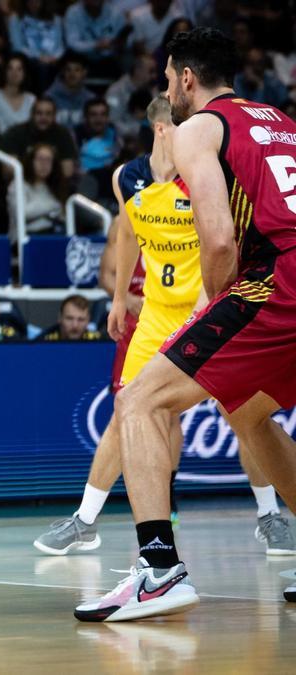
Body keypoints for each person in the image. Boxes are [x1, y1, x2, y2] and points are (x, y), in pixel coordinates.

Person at [79, 28, 296, 621]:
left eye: (168, 78)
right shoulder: (277, 119)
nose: (167, 89)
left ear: (185, 78)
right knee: (249, 416)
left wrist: (215, 301)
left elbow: (220, 237)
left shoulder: (200, 126)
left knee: (141, 400)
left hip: (272, 281)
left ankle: (159, 571)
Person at [37, 97, 292, 565]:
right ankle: (86, 520)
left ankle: (268, 515)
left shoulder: (204, 175)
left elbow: (225, 241)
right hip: (155, 313)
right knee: (126, 409)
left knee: (244, 416)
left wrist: (212, 303)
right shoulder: (126, 178)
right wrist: (118, 298)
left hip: (209, 303)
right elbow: (128, 234)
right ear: (160, 129)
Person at [0, 97, 79, 179]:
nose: (43, 117)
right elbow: (9, 170)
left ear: (54, 116)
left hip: (54, 185)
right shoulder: (15, 133)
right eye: (39, 113)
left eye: (48, 114)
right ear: (31, 115)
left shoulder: (63, 134)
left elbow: (68, 171)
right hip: (22, 184)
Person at [14, 143, 67, 234]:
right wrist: (52, 205)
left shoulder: (57, 186)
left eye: (48, 160)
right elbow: (22, 213)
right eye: (40, 159)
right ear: (31, 161)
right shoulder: (18, 184)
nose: (44, 164)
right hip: (28, 236)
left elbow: (62, 215)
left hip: (55, 234)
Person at [0, 53, 37, 135]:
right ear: (4, 71)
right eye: (10, 68)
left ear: (25, 73)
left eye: (19, 69)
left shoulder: (31, 99)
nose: (14, 73)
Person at [36, 295, 102, 341]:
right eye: (69, 318)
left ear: (88, 320)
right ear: (60, 318)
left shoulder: (99, 342)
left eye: (81, 320)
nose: (75, 325)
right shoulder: (44, 341)